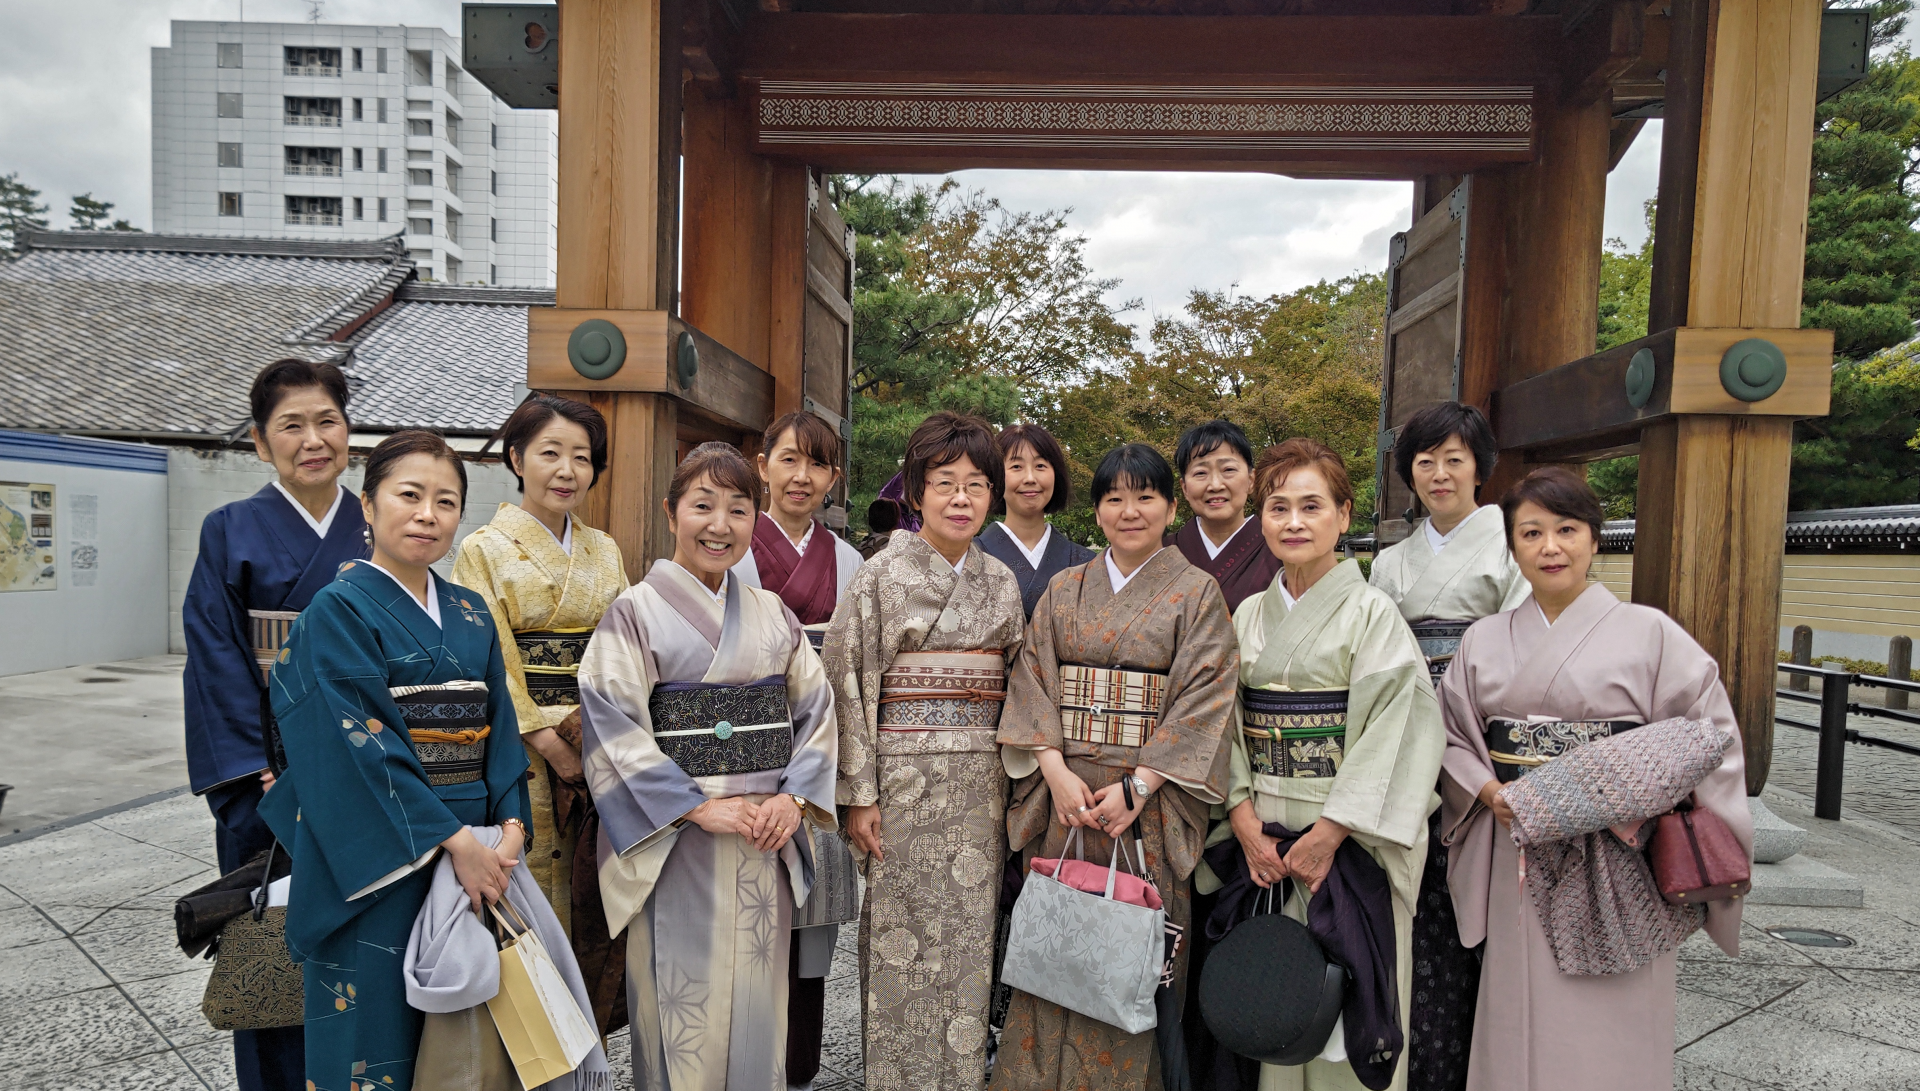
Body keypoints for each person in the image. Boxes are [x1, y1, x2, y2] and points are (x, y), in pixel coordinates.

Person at [1437, 468, 1751, 1091]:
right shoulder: (1484, 639)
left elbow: (1706, 736)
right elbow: (1450, 735)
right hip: (1516, 839)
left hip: (1620, 848)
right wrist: (1487, 791)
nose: (1550, 547)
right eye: (1531, 533)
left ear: (1595, 540)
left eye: (1567, 530)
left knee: (1619, 1010)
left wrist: (1614, 796)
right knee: (1518, 1000)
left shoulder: (1651, 633)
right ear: (1512, 545)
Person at [257, 430, 532, 1091]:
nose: (427, 514)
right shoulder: (337, 609)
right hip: (382, 855)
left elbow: (500, 731)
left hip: (478, 849)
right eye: (409, 495)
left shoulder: (470, 611)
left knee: (466, 1043)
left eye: (446, 501)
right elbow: (355, 738)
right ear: (368, 504)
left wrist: (511, 826)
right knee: (371, 1038)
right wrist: (453, 839)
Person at [577, 441, 839, 1091]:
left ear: (756, 519)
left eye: (738, 509)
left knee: (757, 1011)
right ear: (672, 513)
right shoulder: (633, 613)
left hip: (763, 836)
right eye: (702, 506)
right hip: (677, 841)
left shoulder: (773, 614)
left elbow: (817, 711)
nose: (719, 525)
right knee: (680, 1009)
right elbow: (611, 722)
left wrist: (794, 799)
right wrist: (694, 804)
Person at [993, 442, 1240, 1091]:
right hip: (1068, 796)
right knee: (1057, 954)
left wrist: (1142, 782)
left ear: (1169, 506)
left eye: (1145, 496)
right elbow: (1033, 679)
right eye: (1114, 497)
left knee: (1132, 962)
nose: (1129, 510)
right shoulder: (1065, 588)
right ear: (1098, 508)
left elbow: (1206, 695)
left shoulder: (1196, 594)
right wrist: (1053, 769)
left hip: (1148, 805)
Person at [1220, 437, 1444, 1091]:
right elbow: (1223, 725)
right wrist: (1240, 818)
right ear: (1259, 517)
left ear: (1344, 516)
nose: (1293, 521)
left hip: (1348, 844)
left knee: (1351, 1013)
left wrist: (1330, 832)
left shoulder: (1373, 613)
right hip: (1268, 839)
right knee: (1280, 1008)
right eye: (1278, 506)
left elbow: (1400, 729)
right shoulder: (1247, 615)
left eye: (1311, 505)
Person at [823, 411, 1027, 1091]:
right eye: (945, 483)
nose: (961, 498)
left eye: (976, 484)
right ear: (915, 491)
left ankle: (964, 1077)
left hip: (979, 788)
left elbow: (1020, 686)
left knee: (970, 943)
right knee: (899, 945)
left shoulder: (1000, 582)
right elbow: (846, 680)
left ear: (993, 494)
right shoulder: (881, 576)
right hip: (901, 788)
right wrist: (860, 794)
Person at [182, 357, 366, 1091]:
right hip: (270, 780)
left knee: (370, 955)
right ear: (261, 443)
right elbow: (214, 655)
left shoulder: (378, 525)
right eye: (292, 425)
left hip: (368, 774)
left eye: (327, 420)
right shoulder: (229, 529)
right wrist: (253, 768)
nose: (312, 438)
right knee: (272, 954)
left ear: (349, 432)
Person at [1365, 402, 1528, 1091]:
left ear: (1481, 469)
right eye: (1424, 460)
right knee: (1417, 903)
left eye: (1454, 459)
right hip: (1404, 741)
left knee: (1483, 907)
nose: (1438, 473)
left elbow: (1526, 650)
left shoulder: (1511, 547)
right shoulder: (1391, 561)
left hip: (1480, 745)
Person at [452, 394, 628, 934]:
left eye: (582, 457)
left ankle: (590, 1014)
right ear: (515, 458)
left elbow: (624, 646)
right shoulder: (481, 550)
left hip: (598, 736)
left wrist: (602, 734)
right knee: (533, 873)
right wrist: (549, 742)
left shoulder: (605, 550)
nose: (567, 470)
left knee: (593, 881)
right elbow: (489, 658)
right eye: (550, 452)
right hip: (521, 743)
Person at [729, 409, 865, 1090]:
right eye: (788, 459)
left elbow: (857, 674)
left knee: (810, 918)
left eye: (817, 463)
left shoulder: (850, 561)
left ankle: (800, 1067)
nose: (801, 476)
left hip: (820, 745)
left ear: (834, 477)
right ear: (763, 466)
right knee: (742, 911)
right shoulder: (731, 545)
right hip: (742, 754)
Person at [978, 423, 1097, 621]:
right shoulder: (970, 558)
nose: (1030, 478)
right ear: (995, 477)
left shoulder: (1087, 563)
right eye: (1016, 467)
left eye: (1041, 466)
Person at [1167, 419, 1281, 614]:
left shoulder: (1279, 551)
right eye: (1201, 472)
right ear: (1185, 488)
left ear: (1251, 480)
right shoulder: (1162, 553)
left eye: (1228, 470)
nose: (1215, 485)